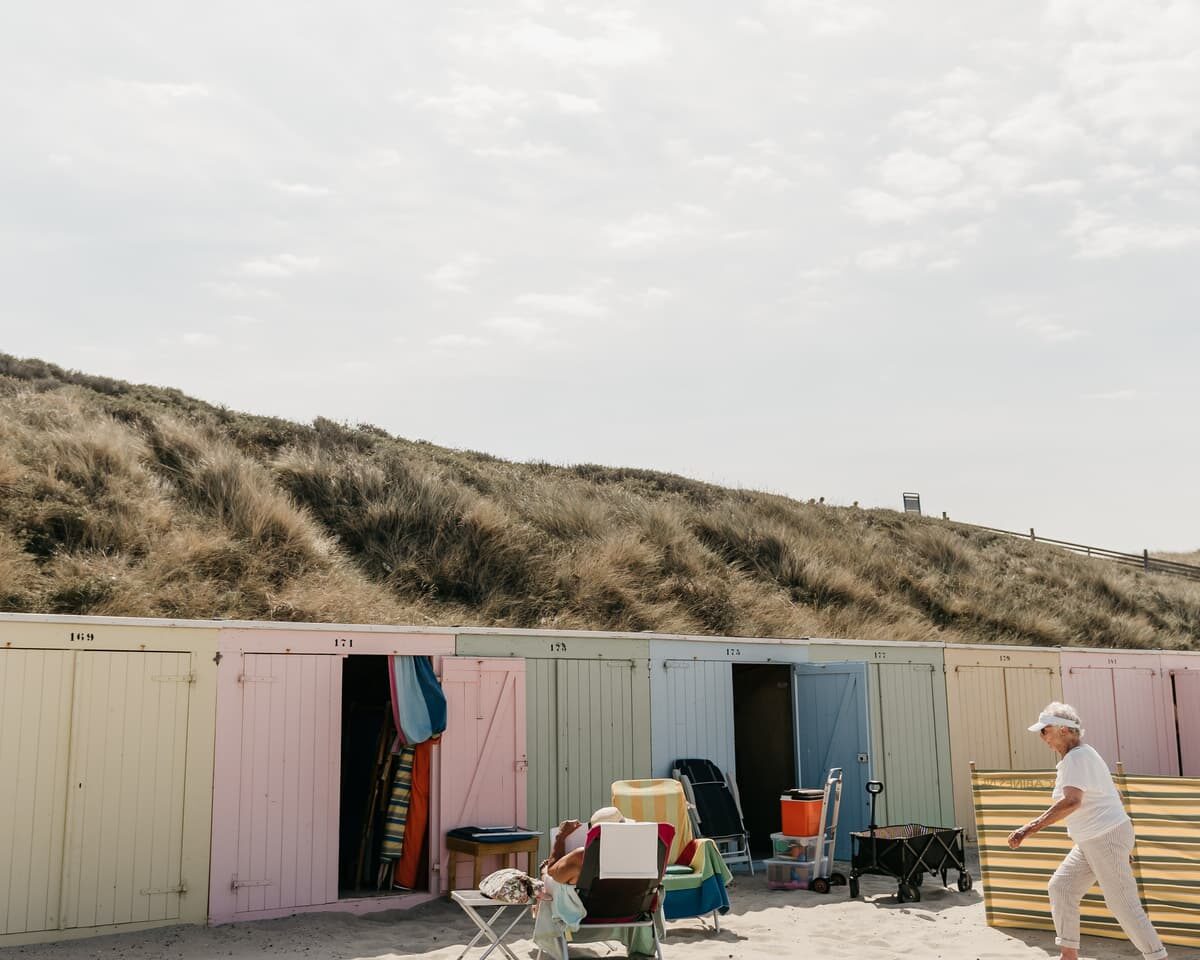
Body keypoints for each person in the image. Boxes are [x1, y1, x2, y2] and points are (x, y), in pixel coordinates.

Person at [1007, 702, 1167, 960]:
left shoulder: (1077, 757)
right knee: (1062, 888)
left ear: (1062, 729)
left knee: (1123, 905)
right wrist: (1121, 845)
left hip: (1103, 837)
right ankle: (1069, 955)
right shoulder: (1084, 754)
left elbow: (1072, 801)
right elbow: (1116, 793)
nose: (1042, 737)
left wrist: (1028, 829)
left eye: (1044, 730)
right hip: (1096, 839)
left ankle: (1158, 957)